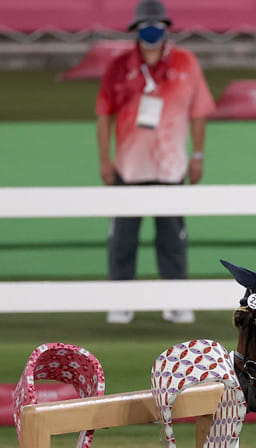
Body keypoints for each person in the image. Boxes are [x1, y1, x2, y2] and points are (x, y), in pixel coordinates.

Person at [96, 0, 215, 325]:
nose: (151, 31)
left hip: (171, 165)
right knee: (122, 237)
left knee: (172, 238)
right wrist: (105, 160)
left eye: (157, 25)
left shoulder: (186, 62)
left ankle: (176, 301)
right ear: (136, 29)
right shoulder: (119, 65)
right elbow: (104, 114)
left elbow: (199, 111)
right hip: (129, 166)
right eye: (145, 25)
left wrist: (198, 155)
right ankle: (120, 300)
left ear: (166, 28)